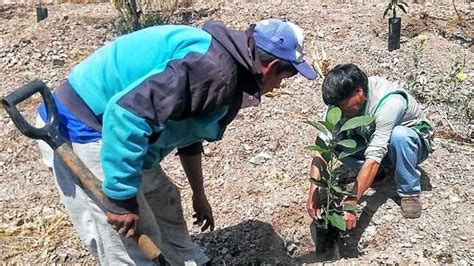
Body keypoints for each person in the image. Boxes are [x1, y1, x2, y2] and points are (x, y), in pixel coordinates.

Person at [36, 18, 317, 265]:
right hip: (85, 128)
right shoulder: (213, 70)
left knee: (164, 198)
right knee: (126, 249)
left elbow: (187, 130)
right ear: (271, 66)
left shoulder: (227, 67)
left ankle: (187, 260)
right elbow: (126, 115)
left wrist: (199, 192)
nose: (281, 85)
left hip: (128, 138)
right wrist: (121, 200)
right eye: (287, 75)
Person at [306, 63, 434, 230]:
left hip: (411, 145)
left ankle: (409, 191)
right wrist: (313, 190)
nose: (340, 112)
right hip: (373, 137)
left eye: (343, 107)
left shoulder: (389, 102)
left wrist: (351, 203)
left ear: (359, 92)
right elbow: (322, 148)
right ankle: (378, 175)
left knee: (399, 136)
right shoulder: (338, 105)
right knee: (334, 144)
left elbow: (374, 157)